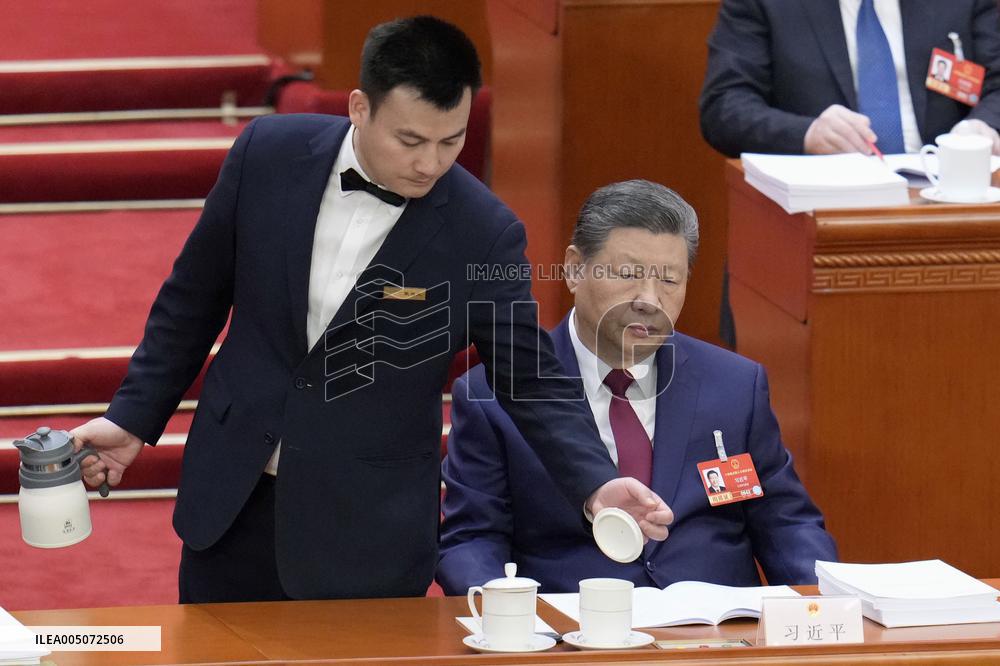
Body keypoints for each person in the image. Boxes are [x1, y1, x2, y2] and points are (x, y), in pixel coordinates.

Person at [70, 16, 671, 603]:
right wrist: (132, 418)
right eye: (410, 140)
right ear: (360, 107)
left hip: (366, 532)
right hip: (231, 501)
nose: (430, 163)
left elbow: (526, 376)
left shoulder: (482, 232)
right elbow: (191, 300)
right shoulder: (266, 155)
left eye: (452, 140)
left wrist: (595, 482)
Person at [436, 180, 837, 594]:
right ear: (574, 268)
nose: (649, 298)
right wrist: (504, 614)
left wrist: (824, 602)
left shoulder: (736, 385)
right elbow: (471, 540)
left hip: (716, 638)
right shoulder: (492, 394)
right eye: (628, 274)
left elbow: (786, 521)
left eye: (669, 280)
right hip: (574, 636)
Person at [699, 0, 1000, 157]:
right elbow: (725, 106)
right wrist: (808, 134)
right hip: (816, 205)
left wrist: (982, 126)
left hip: (944, 197)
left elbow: (996, 83)